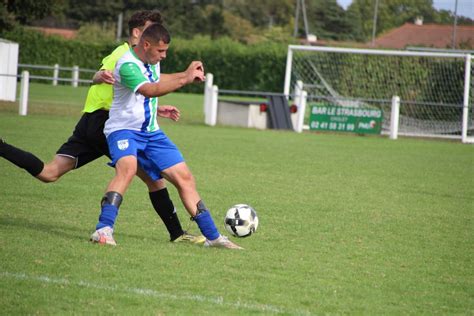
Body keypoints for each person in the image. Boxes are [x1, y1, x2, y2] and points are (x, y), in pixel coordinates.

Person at [0, 10, 205, 245]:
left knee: (50, 173)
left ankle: (2, 148)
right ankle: (172, 233)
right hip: (107, 123)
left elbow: (129, 86)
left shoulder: (134, 58)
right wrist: (99, 77)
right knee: (152, 178)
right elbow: (103, 76)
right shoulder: (124, 54)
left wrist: (155, 108)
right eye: (150, 30)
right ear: (138, 33)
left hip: (90, 120)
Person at [92, 23, 242, 250]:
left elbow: (158, 80)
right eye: (160, 51)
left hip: (152, 133)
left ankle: (213, 237)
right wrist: (186, 78)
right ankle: (103, 230)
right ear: (146, 44)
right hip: (123, 130)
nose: (164, 56)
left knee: (185, 178)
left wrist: (185, 74)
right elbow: (150, 89)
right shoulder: (127, 64)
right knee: (128, 168)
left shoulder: (152, 62)